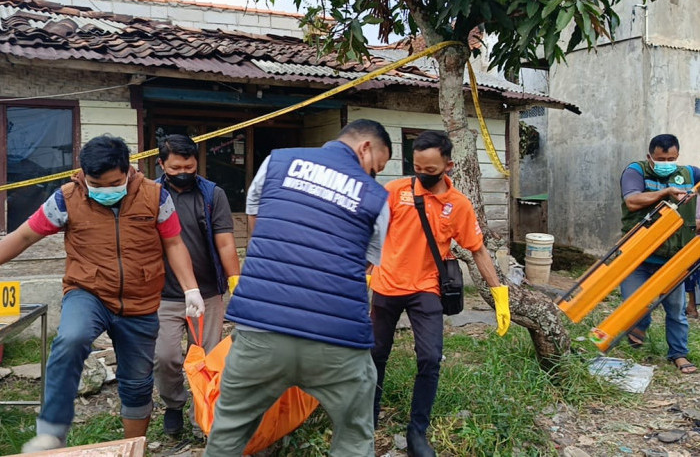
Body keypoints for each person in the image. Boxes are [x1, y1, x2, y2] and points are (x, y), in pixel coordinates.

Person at [204, 119, 392, 457]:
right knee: (354, 436)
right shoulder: (376, 196)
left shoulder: (277, 161)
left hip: (260, 327)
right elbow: (364, 264)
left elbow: (258, 225)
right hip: (336, 339)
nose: (373, 176)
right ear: (365, 148)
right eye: (376, 167)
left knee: (228, 431)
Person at [0, 135, 200, 453]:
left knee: (136, 382)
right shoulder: (67, 198)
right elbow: (23, 236)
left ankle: (132, 446)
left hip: (141, 300)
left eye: (113, 183)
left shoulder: (156, 197)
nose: (105, 191)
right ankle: (51, 432)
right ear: (84, 175)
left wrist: (191, 288)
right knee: (71, 339)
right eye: (96, 184)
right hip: (88, 291)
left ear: (128, 171)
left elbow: (174, 243)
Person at [369, 130, 510, 457]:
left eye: (430, 171)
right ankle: (368, 418)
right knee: (375, 354)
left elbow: (478, 250)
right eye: (417, 167)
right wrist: (362, 277)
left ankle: (418, 431)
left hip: (426, 289)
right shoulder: (395, 191)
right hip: (386, 286)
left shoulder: (458, 205)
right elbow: (370, 232)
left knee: (430, 358)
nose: (422, 176)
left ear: (448, 165)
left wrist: (499, 294)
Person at [153, 134, 241, 436]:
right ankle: (174, 405)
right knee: (165, 357)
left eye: (189, 166)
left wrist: (235, 281)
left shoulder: (211, 194)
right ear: (162, 164)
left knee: (207, 358)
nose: (183, 173)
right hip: (164, 294)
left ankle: (201, 416)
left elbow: (226, 242)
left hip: (208, 292)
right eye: (175, 167)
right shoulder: (151, 195)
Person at [620, 133, 699, 374]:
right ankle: (640, 327)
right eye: (661, 158)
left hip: (674, 257)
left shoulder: (690, 173)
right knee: (633, 304)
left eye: (671, 158)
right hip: (639, 255)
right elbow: (633, 201)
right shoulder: (636, 171)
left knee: (675, 309)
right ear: (650, 157)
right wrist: (665, 193)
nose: (667, 162)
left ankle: (679, 354)